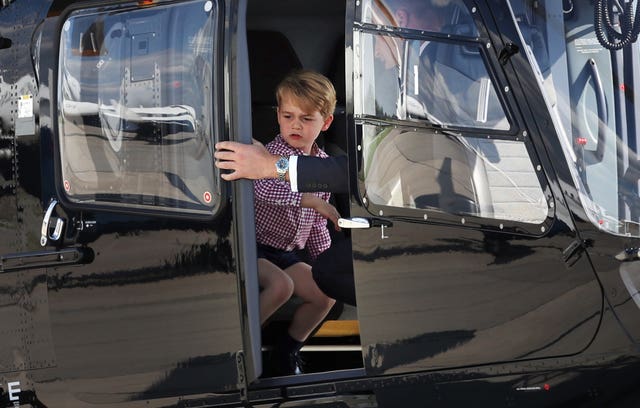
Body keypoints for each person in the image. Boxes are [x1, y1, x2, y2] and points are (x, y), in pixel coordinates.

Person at [253, 70, 339, 376]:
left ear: (325, 122)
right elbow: (265, 188)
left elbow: (317, 226)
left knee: (325, 293)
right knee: (281, 286)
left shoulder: (323, 166)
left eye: (306, 118)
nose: (295, 125)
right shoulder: (269, 155)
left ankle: (285, 353)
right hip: (255, 249)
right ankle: (241, 349)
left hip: (287, 254)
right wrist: (314, 200)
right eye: (288, 116)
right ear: (277, 115)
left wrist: (328, 264)